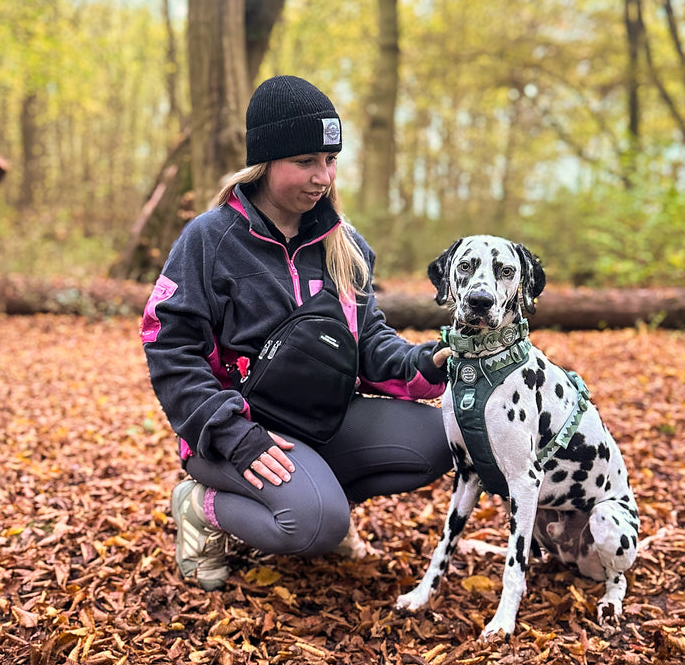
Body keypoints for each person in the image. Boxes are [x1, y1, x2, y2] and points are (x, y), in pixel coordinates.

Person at [141, 75, 453, 589]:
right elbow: (170, 346)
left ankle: (317, 491)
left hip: (322, 417)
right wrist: (233, 436)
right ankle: (203, 507)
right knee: (317, 527)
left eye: (330, 160)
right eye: (305, 162)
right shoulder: (209, 239)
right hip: (235, 432)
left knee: (443, 438)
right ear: (265, 164)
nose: (323, 177)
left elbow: (368, 343)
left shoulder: (343, 244)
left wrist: (429, 363)